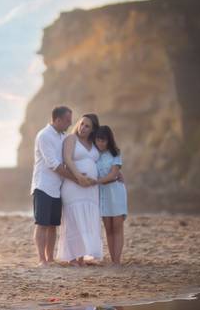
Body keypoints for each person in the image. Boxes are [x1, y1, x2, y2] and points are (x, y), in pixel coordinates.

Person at [30, 107, 92, 267]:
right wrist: (77, 178)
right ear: (57, 120)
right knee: (42, 223)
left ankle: (50, 258)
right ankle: (41, 260)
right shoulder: (44, 136)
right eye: (67, 120)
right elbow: (54, 165)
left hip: (57, 188)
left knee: (52, 225)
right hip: (43, 186)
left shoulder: (63, 136)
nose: (70, 123)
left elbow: (70, 158)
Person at [56, 114, 103, 266]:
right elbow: (67, 159)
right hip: (74, 187)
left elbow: (102, 160)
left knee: (87, 220)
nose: (83, 128)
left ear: (93, 129)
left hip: (91, 190)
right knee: (74, 219)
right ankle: (71, 257)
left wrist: (117, 173)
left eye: (87, 126)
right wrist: (79, 178)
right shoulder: (71, 139)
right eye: (81, 124)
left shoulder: (94, 143)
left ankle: (81, 257)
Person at [95, 126, 128, 265]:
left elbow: (114, 174)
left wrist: (96, 181)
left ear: (109, 140)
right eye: (98, 140)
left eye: (103, 140)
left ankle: (117, 261)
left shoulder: (115, 153)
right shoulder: (94, 154)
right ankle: (113, 258)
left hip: (115, 191)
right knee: (108, 228)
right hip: (103, 193)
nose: (101, 143)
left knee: (117, 227)